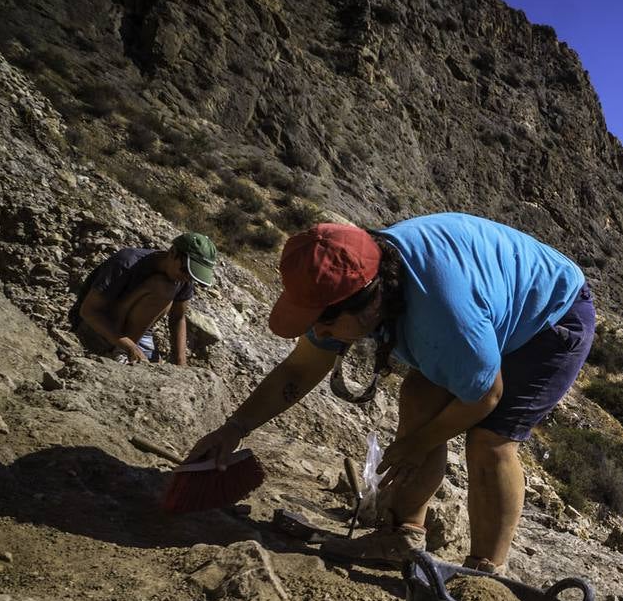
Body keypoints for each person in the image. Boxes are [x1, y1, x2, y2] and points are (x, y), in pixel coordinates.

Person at [185, 213, 594, 574]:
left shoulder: (443, 315)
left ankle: (487, 573)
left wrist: (419, 444)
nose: (320, 333)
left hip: (552, 318)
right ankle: (401, 537)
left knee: (489, 440)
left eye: (325, 324)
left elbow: (485, 397)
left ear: (368, 302)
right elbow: (299, 368)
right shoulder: (349, 284)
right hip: (485, 301)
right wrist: (233, 429)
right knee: (417, 394)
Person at [70, 232, 218, 365]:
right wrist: (128, 346)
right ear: (172, 252)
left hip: (136, 336)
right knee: (163, 288)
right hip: (95, 329)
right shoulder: (126, 262)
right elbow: (88, 312)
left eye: (192, 275)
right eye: (186, 270)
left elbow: (178, 317)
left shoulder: (183, 279)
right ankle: (120, 352)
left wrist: (181, 363)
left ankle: (125, 350)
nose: (187, 278)